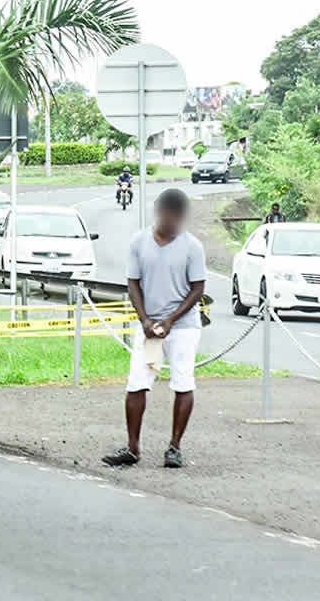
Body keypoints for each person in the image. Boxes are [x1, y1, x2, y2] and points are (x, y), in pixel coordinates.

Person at [102, 188, 206, 469]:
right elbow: (133, 282)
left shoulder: (192, 247)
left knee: (183, 382)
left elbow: (197, 289)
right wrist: (144, 319)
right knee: (137, 382)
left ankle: (174, 447)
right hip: (149, 327)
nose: (173, 223)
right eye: (169, 217)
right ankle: (132, 447)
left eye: (178, 218)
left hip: (182, 327)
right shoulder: (139, 242)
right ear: (160, 213)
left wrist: (171, 319)